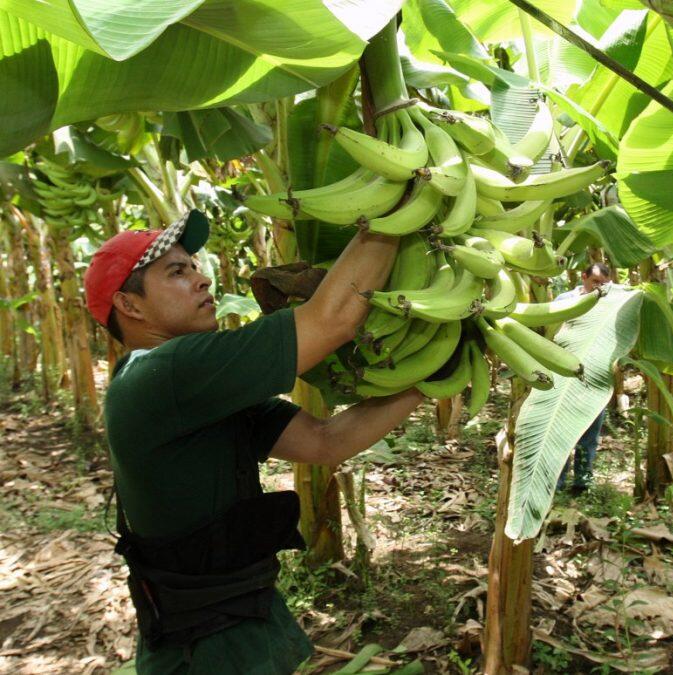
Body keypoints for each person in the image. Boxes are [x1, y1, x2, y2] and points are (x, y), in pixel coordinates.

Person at [83, 213, 424, 674]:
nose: (203, 280)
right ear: (130, 305)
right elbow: (334, 320)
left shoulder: (189, 392)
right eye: (177, 272)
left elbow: (326, 442)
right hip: (205, 647)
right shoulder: (165, 374)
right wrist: (396, 213)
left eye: (194, 266)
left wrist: (428, 381)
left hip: (233, 620)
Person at [555, 262, 611, 494]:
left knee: (589, 433)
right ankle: (556, 483)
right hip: (563, 372)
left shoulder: (608, 304)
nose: (598, 287)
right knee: (559, 432)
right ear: (584, 277)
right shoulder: (563, 301)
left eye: (603, 284)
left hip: (594, 374)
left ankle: (582, 482)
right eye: (595, 281)